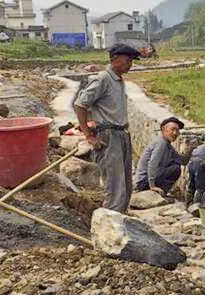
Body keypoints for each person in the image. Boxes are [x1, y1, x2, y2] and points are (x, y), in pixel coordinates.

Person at [73, 44, 140, 212]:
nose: (130, 64)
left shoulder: (118, 80)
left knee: (125, 185)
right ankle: (110, 223)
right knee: (115, 186)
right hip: (109, 135)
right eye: (127, 60)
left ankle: (121, 219)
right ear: (114, 59)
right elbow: (80, 105)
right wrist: (89, 136)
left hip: (122, 134)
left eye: (132, 61)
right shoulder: (103, 79)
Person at [134, 116, 187, 195]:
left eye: (177, 130)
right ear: (163, 129)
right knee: (175, 169)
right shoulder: (161, 143)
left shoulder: (168, 145)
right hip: (144, 182)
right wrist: (152, 186)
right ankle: (158, 193)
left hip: (147, 180)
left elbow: (182, 161)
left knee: (175, 166)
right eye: (172, 129)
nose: (175, 133)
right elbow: (152, 163)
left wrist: (193, 150)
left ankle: (161, 192)